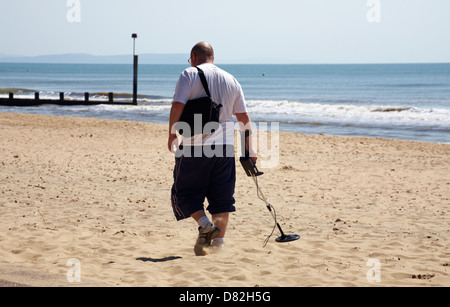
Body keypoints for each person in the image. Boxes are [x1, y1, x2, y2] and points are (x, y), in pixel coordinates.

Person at [168, 42, 257, 256]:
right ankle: (218, 247)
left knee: (183, 193)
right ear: (212, 57)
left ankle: (205, 225)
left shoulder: (189, 74)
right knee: (222, 198)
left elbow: (177, 105)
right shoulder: (231, 79)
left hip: (195, 146)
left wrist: (171, 133)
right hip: (225, 148)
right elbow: (244, 118)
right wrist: (249, 148)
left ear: (194, 57)